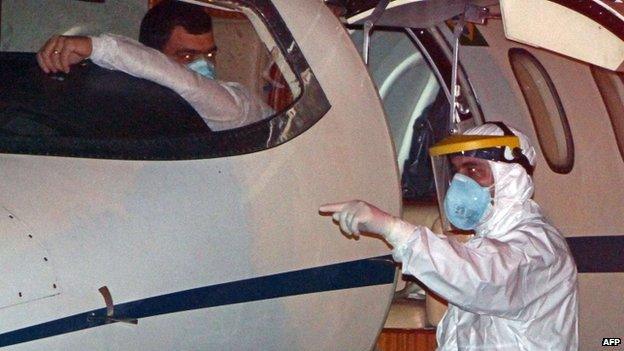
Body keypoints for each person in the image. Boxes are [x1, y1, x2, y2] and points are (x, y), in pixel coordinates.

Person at [319, 122, 578, 350]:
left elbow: (481, 279)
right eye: (457, 172)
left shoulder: (538, 246)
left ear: (511, 177)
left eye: (474, 170)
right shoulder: (487, 241)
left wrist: (390, 227)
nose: (460, 183)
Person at [36, 0, 273, 131]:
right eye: (188, 56)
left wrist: (95, 47)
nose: (205, 65)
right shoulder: (129, 101)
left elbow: (189, 85)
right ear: (153, 54)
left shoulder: (236, 105)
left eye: (210, 54)